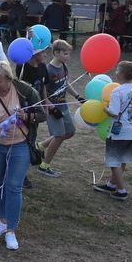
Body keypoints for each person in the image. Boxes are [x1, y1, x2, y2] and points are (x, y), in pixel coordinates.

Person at [0, 61, 45, 251]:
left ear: (9, 79)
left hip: (20, 146)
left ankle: (11, 230)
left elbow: (42, 115)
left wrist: (26, 116)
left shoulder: (25, 91)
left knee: (13, 186)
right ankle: (1, 221)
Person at [93, 61, 132, 201]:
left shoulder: (117, 91)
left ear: (122, 74)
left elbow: (114, 112)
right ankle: (111, 184)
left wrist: (104, 108)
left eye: (117, 70)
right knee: (123, 160)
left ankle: (121, 191)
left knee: (114, 162)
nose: (115, 73)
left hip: (120, 132)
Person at [36, 40, 84, 178]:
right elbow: (42, 91)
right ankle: (44, 166)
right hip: (52, 108)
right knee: (59, 135)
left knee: (70, 132)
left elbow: (66, 84)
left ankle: (40, 146)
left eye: (68, 53)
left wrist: (78, 97)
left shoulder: (63, 66)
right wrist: (49, 106)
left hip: (63, 105)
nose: (68, 56)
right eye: (65, 53)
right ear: (56, 53)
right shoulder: (48, 70)